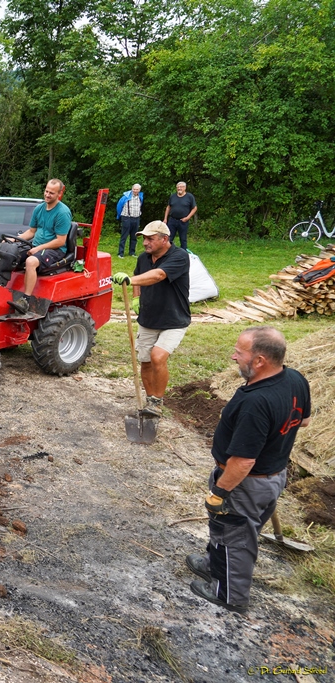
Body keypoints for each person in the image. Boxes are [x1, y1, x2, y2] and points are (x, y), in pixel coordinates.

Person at [185, 327, 310, 614]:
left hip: (246, 483)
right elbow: (302, 422)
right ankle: (214, 564)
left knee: (236, 538)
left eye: (239, 353)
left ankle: (229, 593)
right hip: (273, 475)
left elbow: (242, 462)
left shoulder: (255, 401)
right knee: (228, 530)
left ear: (259, 361)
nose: (233, 357)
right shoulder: (294, 379)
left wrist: (220, 491)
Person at [111, 221, 189, 417]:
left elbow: (158, 275)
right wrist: (137, 298)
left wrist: (130, 280)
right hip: (148, 318)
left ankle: (157, 401)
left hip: (174, 319)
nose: (145, 243)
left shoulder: (179, 256)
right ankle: (150, 401)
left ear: (165, 239)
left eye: (150, 239)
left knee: (157, 357)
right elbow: (140, 274)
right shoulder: (144, 258)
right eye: (144, 238)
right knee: (145, 361)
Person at [0, 179, 72, 314]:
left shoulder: (62, 213)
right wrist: (12, 240)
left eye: (51, 193)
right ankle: (0, 289)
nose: (47, 195)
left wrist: (38, 249)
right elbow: (31, 232)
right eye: (46, 191)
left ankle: (25, 300)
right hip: (35, 246)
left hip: (55, 250)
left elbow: (60, 241)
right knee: (8, 253)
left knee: (31, 261)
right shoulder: (39, 208)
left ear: (59, 194)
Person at [163, 181, 196, 250]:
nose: (179, 188)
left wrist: (188, 217)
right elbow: (168, 207)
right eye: (178, 187)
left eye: (181, 187)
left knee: (183, 238)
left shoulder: (189, 197)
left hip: (183, 221)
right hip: (172, 220)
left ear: (185, 188)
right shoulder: (173, 196)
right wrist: (165, 218)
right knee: (169, 237)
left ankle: (183, 254)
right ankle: (166, 252)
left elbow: (194, 208)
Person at [116, 183, 143, 258]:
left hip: (136, 218)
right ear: (132, 189)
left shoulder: (140, 197)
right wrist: (120, 216)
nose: (135, 191)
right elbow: (119, 207)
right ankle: (120, 253)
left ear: (139, 190)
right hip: (127, 218)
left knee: (134, 236)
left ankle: (132, 252)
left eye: (137, 189)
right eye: (134, 189)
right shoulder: (125, 197)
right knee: (124, 236)